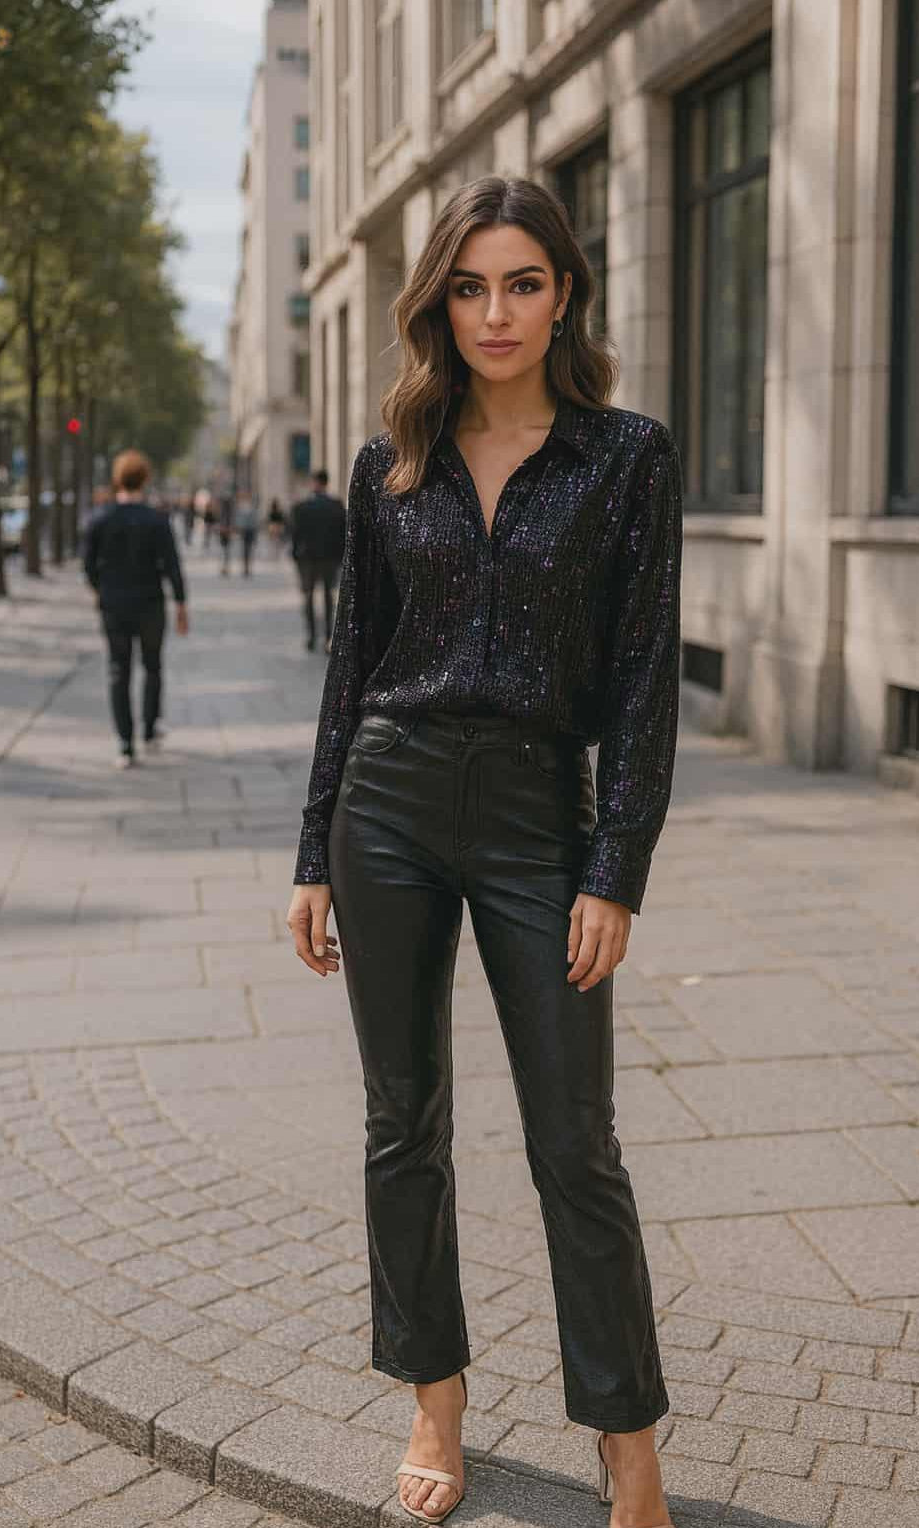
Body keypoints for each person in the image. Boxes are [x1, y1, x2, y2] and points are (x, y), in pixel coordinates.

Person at [285, 177, 681, 1528]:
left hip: (535, 818)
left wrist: (615, 865)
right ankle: (433, 1403)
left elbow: (640, 678)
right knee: (406, 1127)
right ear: (437, 302)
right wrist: (311, 850)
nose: (495, 312)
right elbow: (353, 663)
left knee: (578, 1143)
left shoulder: (626, 457)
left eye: (521, 282)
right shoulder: (392, 454)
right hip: (386, 802)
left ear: (563, 291)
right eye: (469, 285)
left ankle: (628, 1448)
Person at [83, 449, 189, 768]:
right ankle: (149, 727)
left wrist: (100, 590)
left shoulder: (100, 519)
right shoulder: (157, 520)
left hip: (114, 605)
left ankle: (125, 744)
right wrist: (181, 603)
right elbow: (172, 565)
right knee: (152, 665)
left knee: (119, 670)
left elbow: (88, 565)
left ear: (117, 479)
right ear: (145, 478)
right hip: (150, 604)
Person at [290, 469, 346, 652]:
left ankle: (311, 636)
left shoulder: (302, 507)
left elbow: (296, 535)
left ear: (314, 483)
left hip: (308, 559)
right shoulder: (337, 506)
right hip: (330, 558)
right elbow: (343, 534)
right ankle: (329, 635)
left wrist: (296, 556)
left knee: (308, 596)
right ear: (327, 483)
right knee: (329, 596)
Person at [233, 491, 259, 577]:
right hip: (244, 531)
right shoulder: (241, 508)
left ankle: (247, 567)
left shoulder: (252, 508)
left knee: (249, 550)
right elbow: (238, 520)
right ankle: (245, 567)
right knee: (244, 550)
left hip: (250, 531)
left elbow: (255, 521)